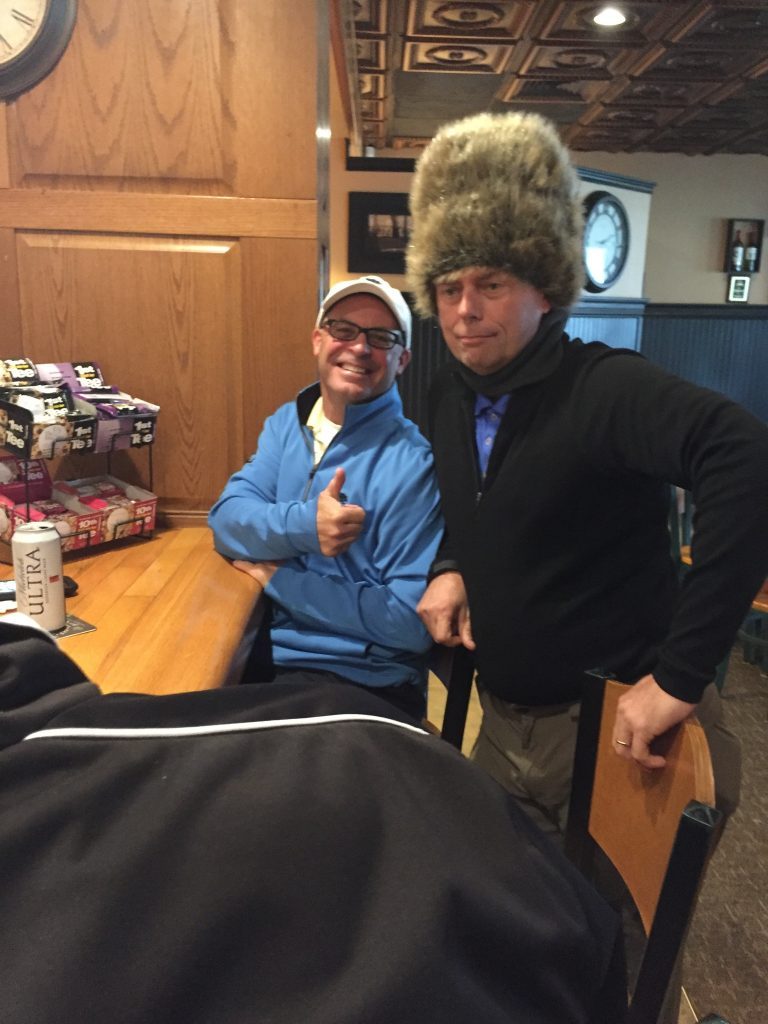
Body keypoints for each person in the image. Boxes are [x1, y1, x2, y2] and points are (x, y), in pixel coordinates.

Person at [407, 111, 768, 836]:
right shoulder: (449, 394)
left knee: (601, 914)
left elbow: (747, 457)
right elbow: (483, 507)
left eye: (491, 283)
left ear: (544, 287)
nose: (465, 310)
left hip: (621, 738)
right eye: (448, 288)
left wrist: (681, 675)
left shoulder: (602, 389)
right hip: (501, 730)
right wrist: (453, 564)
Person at [0, 617, 626, 1024]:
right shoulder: (287, 434)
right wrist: (304, 536)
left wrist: (288, 576)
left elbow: (399, 618)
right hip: (309, 684)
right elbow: (234, 519)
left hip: (370, 681)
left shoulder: (411, 457)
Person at [209, 275, 442, 720]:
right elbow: (226, 519)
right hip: (263, 656)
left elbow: (409, 623)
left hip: (361, 680)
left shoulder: (415, 463)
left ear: (402, 360)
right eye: (344, 330)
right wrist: (305, 527)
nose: (360, 347)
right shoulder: (287, 424)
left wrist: (277, 579)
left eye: (382, 338)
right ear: (318, 340)